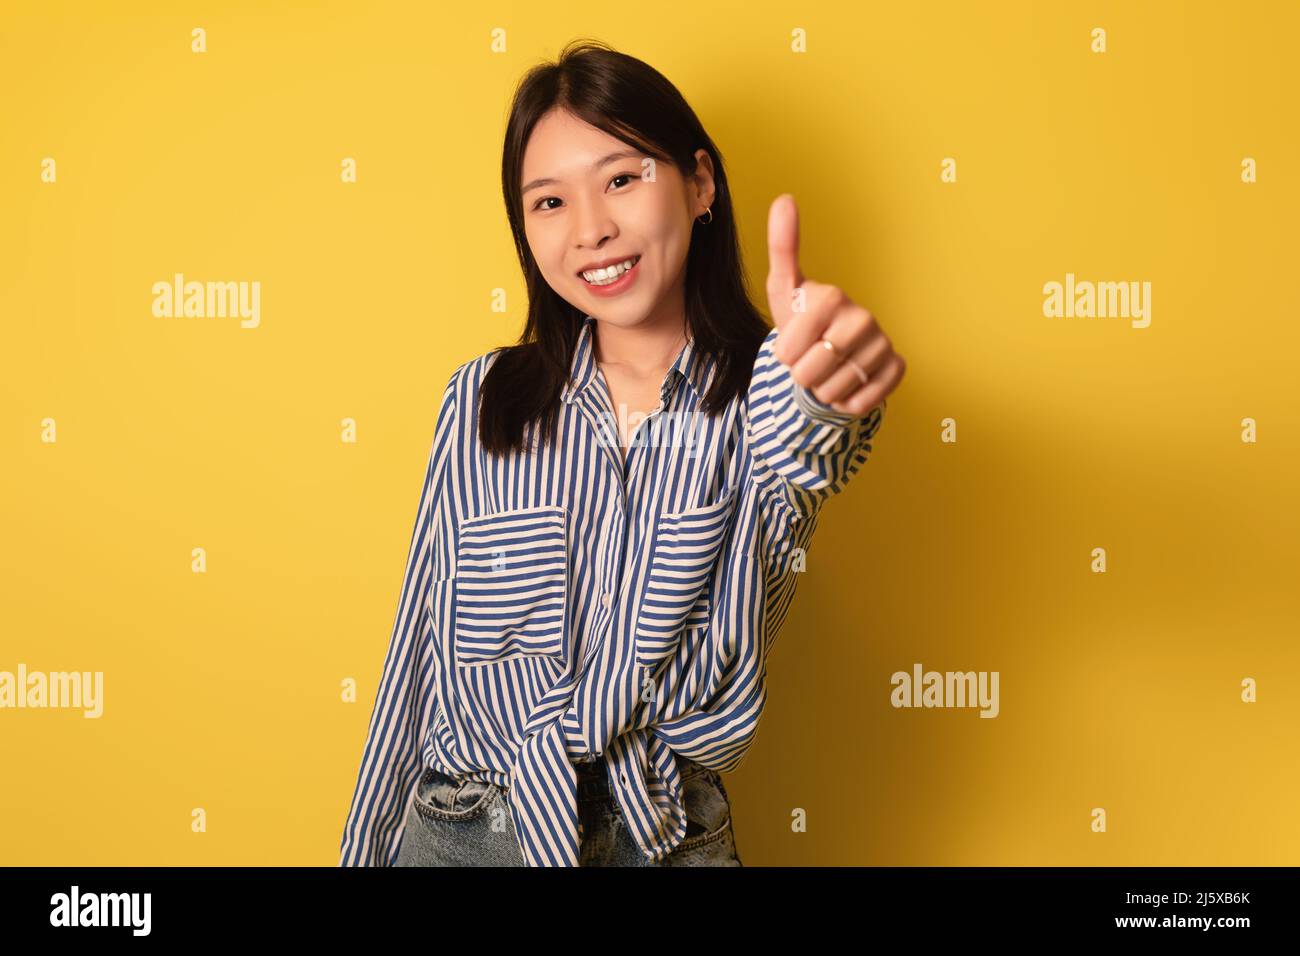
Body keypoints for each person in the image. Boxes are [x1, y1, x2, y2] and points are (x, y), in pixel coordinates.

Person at [339, 38, 905, 867]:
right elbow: (415, 657)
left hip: (663, 832)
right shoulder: (482, 400)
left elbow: (802, 455)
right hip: (464, 832)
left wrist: (821, 387)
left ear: (700, 183)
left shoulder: (764, 396)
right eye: (549, 203)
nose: (592, 231)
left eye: (622, 178)